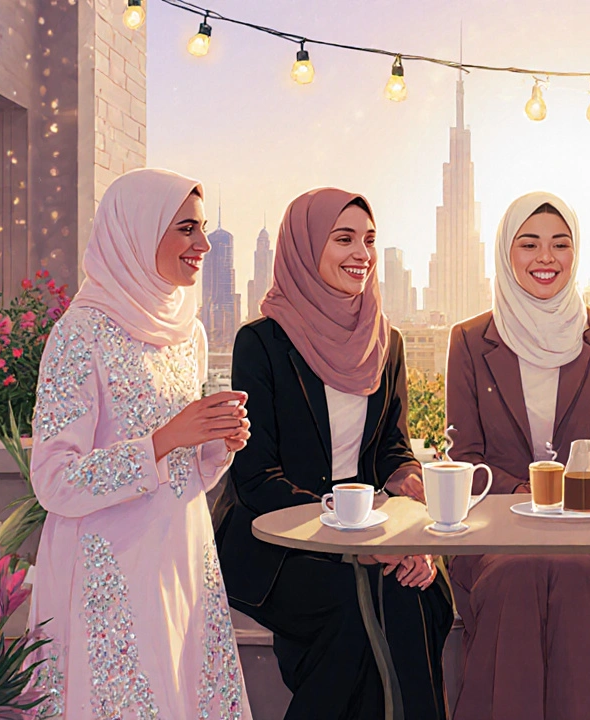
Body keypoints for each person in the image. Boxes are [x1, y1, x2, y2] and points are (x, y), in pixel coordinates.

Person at [213, 188, 451, 720]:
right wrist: (355, 533)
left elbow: (391, 447)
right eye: (342, 239)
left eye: (368, 239)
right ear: (304, 247)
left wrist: (410, 493)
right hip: (279, 537)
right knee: (351, 607)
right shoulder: (263, 342)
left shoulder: (385, 341)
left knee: (419, 595)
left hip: (368, 528)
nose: (360, 253)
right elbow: (256, 477)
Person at [26, 168, 252, 718]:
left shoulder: (188, 333)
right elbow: (53, 479)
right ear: (136, 231)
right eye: (186, 229)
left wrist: (216, 446)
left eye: (201, 230)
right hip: (108, 564)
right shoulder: (80, 333)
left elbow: (182, 471)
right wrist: (165, 439)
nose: (202, 245)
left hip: (179, 550)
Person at [445, 192, 590, 720]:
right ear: (506, 254)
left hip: (584, 532)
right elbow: (464, 457)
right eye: (528, 244)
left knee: (577, 578)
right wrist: (529, 496)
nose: (545, 258)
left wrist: (569, 498)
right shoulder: (468, 340)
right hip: (494, 536)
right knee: (514, 575)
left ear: (577, 254)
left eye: (560, 244)